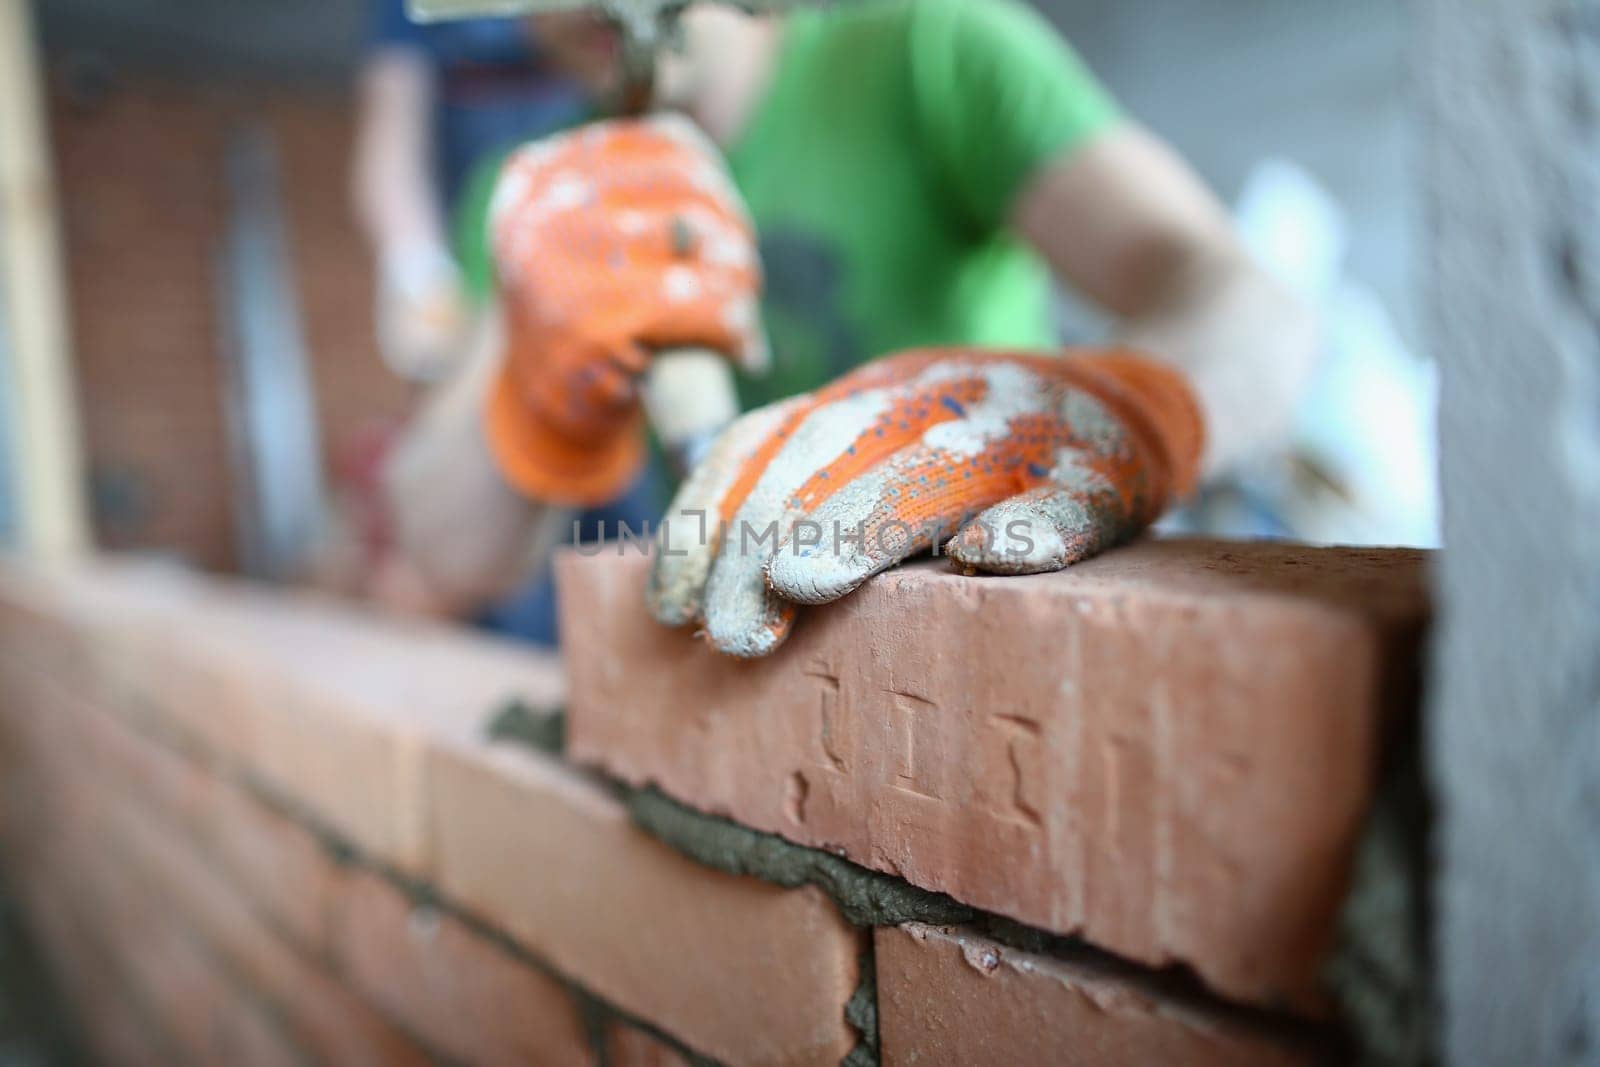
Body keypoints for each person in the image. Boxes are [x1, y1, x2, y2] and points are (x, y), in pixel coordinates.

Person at [380, 0, 1316, 653]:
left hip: (1008, 623)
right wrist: (536, 386)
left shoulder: (930, 55)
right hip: (761, 665)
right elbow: (445, 544)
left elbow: (1248, 305)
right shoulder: (539, 195)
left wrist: (1125, 410)